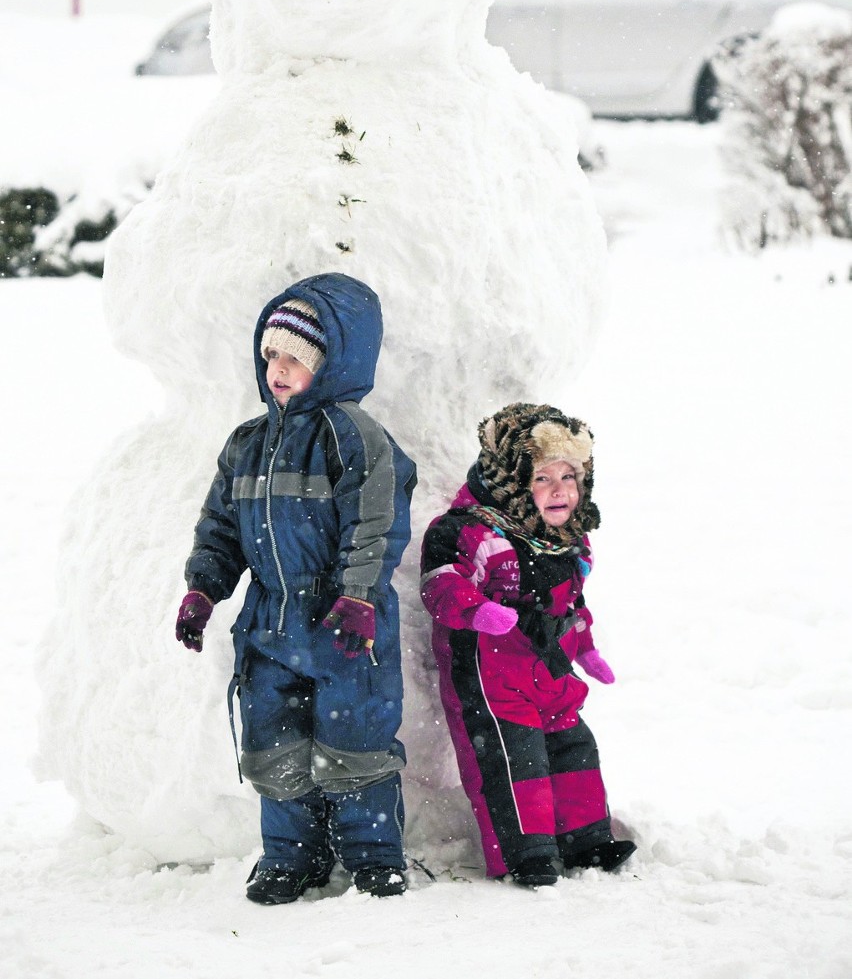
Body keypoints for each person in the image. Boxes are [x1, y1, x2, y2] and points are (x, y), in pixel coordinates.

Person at [175, 273, 416, 904]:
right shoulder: (246, 444)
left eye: (296, 358)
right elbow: (221, 527)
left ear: (332, 364)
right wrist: (204, 589)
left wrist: (358, 595)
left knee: (355, 738)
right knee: (273, 741)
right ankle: (290, 856)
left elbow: (376, 522)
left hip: (343, 615)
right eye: (271, 355)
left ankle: (373, 855)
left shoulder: (352, 434)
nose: (278, 370)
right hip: (270, 619)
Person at [420, 402, 635, 888]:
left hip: (552, 670)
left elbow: (571, 605)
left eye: (570, 476)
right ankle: (527, 851)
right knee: (513, 760)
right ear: (513, 480)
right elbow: (441, 582)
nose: (560, 489)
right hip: (491, 670)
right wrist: (476, 611)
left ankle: (587, 839)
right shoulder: (469, 530)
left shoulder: (569, 542)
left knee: (573, 749)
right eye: (542, 477)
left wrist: (584, 647)